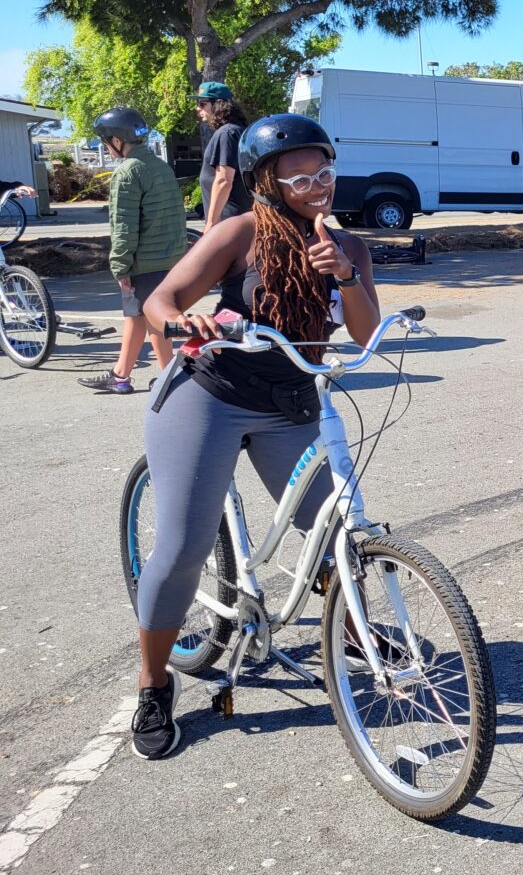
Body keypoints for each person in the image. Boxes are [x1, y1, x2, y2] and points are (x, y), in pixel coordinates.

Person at [132, 113, 381, 760]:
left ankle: (357, 633)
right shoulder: (241, 232)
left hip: (289, 401)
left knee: (333, 529)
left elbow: (361, 331)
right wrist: (187, 323)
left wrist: (345, 276)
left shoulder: (347, 246)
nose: (315, 185)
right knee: (185, 546)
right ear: (267, 181)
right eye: (298, 176)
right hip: (208, 394)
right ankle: (154, 684)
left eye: (323, 171)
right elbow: (162, 298)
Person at [78, 108, 187, 394]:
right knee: (142, 318)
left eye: (105, 141)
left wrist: (120, 266)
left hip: (143, 262)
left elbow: (123, 226)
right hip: (169, 259)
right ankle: (127, 375)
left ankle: (165, 379)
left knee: (149, 319)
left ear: (116, 140)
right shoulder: (161, 166)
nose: (105, 147)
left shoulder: (127, 172)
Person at [195, 81, 252, 227]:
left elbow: (224, 181)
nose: (197, 109)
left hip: (229, 224)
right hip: (239, 220)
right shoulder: (238, 130)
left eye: (202, 104)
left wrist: (211, 223)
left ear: (218, 105)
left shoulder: (227, 133)